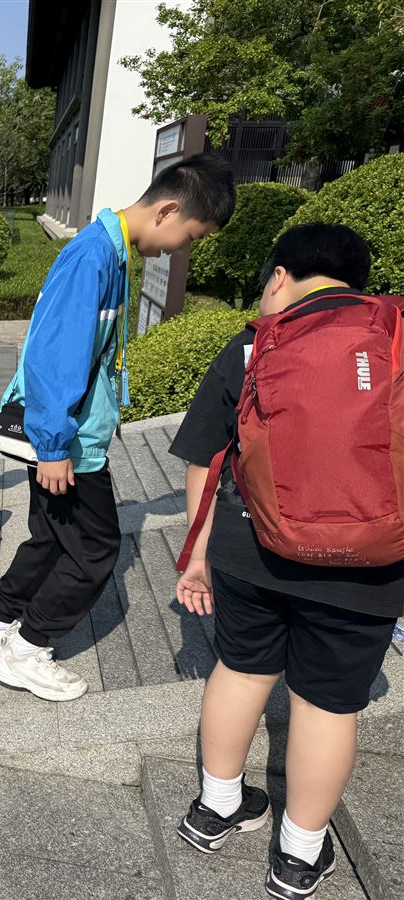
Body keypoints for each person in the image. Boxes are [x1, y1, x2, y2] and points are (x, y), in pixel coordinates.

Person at [170, 224, 404, 900]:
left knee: (241, 669)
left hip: (251, 551)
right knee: (327, 705)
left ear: (279, 276)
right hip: (369, 566)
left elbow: (206, 459)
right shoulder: (394, 341)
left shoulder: (252, 346)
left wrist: (198, 556)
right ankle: (299, 856)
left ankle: (216, 808)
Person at [0, 154, 236, 702]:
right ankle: (27, 650)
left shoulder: (107, 250)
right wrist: (54, 446)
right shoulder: (94, 256)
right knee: (95, 550)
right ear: (168, 210)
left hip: (66, 433)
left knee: (51, 535)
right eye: (190, 236)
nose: (182, 249)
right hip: (68, 441)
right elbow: (54, 355)